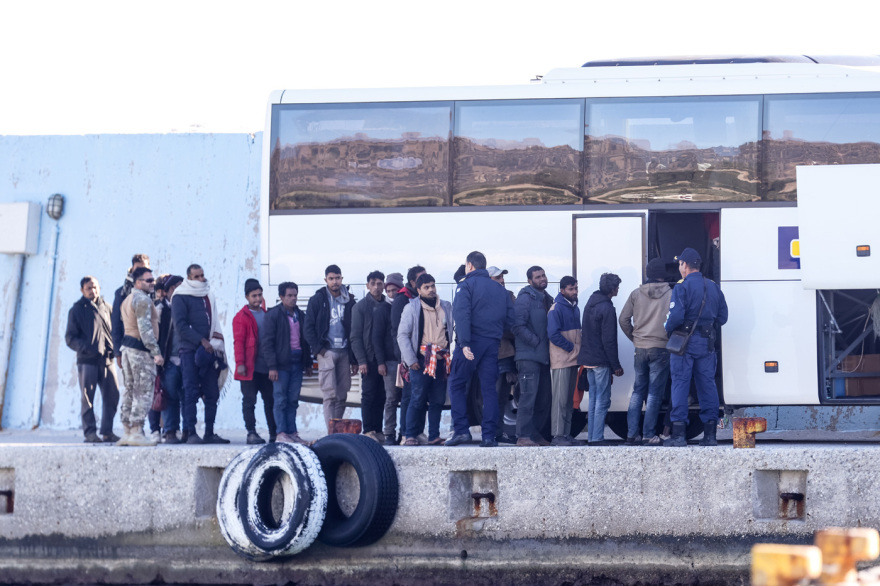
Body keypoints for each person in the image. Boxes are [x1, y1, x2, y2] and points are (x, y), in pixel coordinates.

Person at [445, 251, 515, 448]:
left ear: (469, 266)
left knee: (457, 384)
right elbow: (511, 321)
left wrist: (465, 343)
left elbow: (462, 315)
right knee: (489, 390)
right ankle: (489, 436)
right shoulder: (500, 291)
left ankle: (461, 431)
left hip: (471, 343)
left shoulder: (465, 286)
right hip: (492, 344)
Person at [663, 248, 728, 447]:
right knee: (707, 385)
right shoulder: (713, 286)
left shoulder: (681, 287)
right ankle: (710, 435)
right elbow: (723, 317)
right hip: (707, 342)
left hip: (684, 342)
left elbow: (675, 317)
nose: (679, 268)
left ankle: (679, 434)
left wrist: (668, 328)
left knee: (680, 384)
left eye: (680, 264)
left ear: (684, 265)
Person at [172, 264, 230, 444]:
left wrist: (210, 343)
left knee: (212, 392)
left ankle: (209, 432)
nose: (201, 279)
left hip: (209, 350)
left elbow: (212, 322)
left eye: (202, 276)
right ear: (189, 278)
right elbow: (180, 326)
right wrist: (201, 341)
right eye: (196, 277)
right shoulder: (180, 296)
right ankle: (190, 433)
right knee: (190, 391)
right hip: (189, 350)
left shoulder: (208, 295)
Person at [619, 258, 672, 446]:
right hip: (661, 348)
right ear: (663, 274)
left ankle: (632, 434)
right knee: (654, 394)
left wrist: (635, 338)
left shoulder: (636, 294)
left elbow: (623, 319)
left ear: (648, 273)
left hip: (640, 348)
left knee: (637, 391)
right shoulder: (671, 294)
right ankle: (649, 434)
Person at [397, 273, 452, 446]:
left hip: (441, 359)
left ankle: (434, 436)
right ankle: (410, 435)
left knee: (437, 400)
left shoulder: (446, 306)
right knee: (417, 398)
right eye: (426, 287)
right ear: (418, 290)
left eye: (433, 286)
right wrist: (410, 359)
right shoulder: (411, 308)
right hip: (420, 360)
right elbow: (402, 335)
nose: (431, 290)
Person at [65, 276, 120, 443]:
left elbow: (115, 331)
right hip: (87, 361)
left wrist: (115, 350)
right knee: (87, 398)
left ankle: (107, 432)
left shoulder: (107, 307)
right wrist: (87, 347)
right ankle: (90, 433)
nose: (92, 291)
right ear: (82, 290)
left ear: (99, 287)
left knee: (112, 396)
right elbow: (70, 338)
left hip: (107, 360)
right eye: (88, 288)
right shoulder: (77, 310)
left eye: (95, 287)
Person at [303, 264, 357, 432]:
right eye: (331, 278)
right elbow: (308, 328)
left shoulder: (349, 299)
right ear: (326, 279)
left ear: (342, 279)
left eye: (338, 278)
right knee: (329, 395)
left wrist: (354, 358)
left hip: (345, 352)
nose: (335, 282)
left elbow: (354, 329)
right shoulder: (318, 299)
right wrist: (320, 350)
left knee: (342, 395)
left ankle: (337, 430)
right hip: (327, 351)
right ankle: (330, 433)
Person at [117, 267, 163, 446]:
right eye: (148, 280)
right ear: (137, 282)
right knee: (143, 390)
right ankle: (136, 431)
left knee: (129, 390)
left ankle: (127, 432)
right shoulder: (142, 299)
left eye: (153, 280)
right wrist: (156, 352)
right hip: (140, 350)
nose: (153, 283)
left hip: (127, 349)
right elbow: (145, 328)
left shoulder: (127, 299)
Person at [262, 281, 312, 444]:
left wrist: (308, 363)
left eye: (295, 295)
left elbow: (305, 342)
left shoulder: (300, 315)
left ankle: (292, 432)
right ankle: (281, 432)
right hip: (281, 364)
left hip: (297, 362)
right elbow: (267, 342)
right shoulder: (273, 315)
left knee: (293, 399)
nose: (293, 299)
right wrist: (272, 366)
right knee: (280, 398)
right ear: (281, 297)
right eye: (289, 295)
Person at [577, 273, 623, 446]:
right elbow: (609, 340)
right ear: (612, 289)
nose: (618, 289)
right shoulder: (607, 309)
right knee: (603, 400)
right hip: (601, 361)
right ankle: (597, 437)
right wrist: (615, 365)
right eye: (617, 287)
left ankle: (591, 436)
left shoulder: (590, 303)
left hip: (588, 359)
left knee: (594, 399)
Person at [512, 266, 554, 447]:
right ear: (530, 281)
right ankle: (523, 435)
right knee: (528, 397)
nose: (542, 279)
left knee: (543, 399)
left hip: (544, 357)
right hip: (528, 357)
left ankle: (535, 434)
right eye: (537, 277)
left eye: (543, 275)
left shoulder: (547, 299)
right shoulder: (524, 299)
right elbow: (517, 326)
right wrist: (535, 341)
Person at [233, 278, 277, 445]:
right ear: (247, 297)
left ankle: (274, 433)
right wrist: (240, 364)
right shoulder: (241, 317)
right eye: (254, 296)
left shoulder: (267, 315)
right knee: (249, 402)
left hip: (266, 369)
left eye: (260, 295)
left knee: (270, 401)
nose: (257, 299)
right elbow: (238, 342)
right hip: (249, 368)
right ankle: (251, 432)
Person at [388, 265, 426, 444]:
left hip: (424, 356)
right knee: (408, 396)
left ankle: (417, 431)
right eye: (422, 278)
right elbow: (398, 332)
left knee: (420, 395)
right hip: (408, 357)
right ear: (412, 282)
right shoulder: (402, 300)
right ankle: (405, 433)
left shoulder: (421, 298)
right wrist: (406, 359)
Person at [351, 270, 388, 442]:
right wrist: (361, 361)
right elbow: (355, 336)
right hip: (368, 359)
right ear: (367, 286)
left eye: (379, 283)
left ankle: (378, 429)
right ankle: (368, 429)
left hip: (383, 359)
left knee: (382, 395)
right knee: (369, 395)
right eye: (373, 284)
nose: (376, 287)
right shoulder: (360, 307)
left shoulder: (387, 306)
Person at [547, 276, 583, 446]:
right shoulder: (556, 309)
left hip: (572, 359)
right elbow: (553, 334)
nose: (575, 292)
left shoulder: (575, 308)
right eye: (571, 289)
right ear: (562, 291)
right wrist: (572, 348)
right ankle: (557, 434)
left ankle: (566, 434)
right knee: (560, 400)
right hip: (561, 360)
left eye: (575, 288)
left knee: (569, 400)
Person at [488, 266, 517, 444]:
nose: (501, 280)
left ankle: (498, 432)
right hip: (496, 353)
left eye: (502, 277)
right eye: (497, 277)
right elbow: (499, 326)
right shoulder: (487, 298)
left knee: (503, 396)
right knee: (494, 395)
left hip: (508, 353)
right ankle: (492, 432)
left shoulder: (509, 295)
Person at [373, 274, 403, 446]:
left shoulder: (405, 304)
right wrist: (381, 362)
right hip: (390, 362)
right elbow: (376, 338)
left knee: (407, 398)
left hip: (405, 359)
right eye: (389, 290)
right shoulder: (382, 309)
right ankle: (389, 433)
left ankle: (405, 433)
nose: (391, 293)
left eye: (395, 290)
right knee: (391, 399)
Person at [156, 274, 184, 444]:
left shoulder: (187, 307)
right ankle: (170, 431)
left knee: (186, 396)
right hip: (168, 361)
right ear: (167, 291)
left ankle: (186, 430)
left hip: (186, 359)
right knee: (169, 395)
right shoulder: (161, 309)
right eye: (175, 287)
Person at [111, 254, 150, 370]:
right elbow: (116, 323)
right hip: (130, 348)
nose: (141, 272)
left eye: (144, 268)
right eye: (138, 268)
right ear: (132, 269)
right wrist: (118, 352)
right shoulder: (122, 293)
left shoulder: (155, 290)